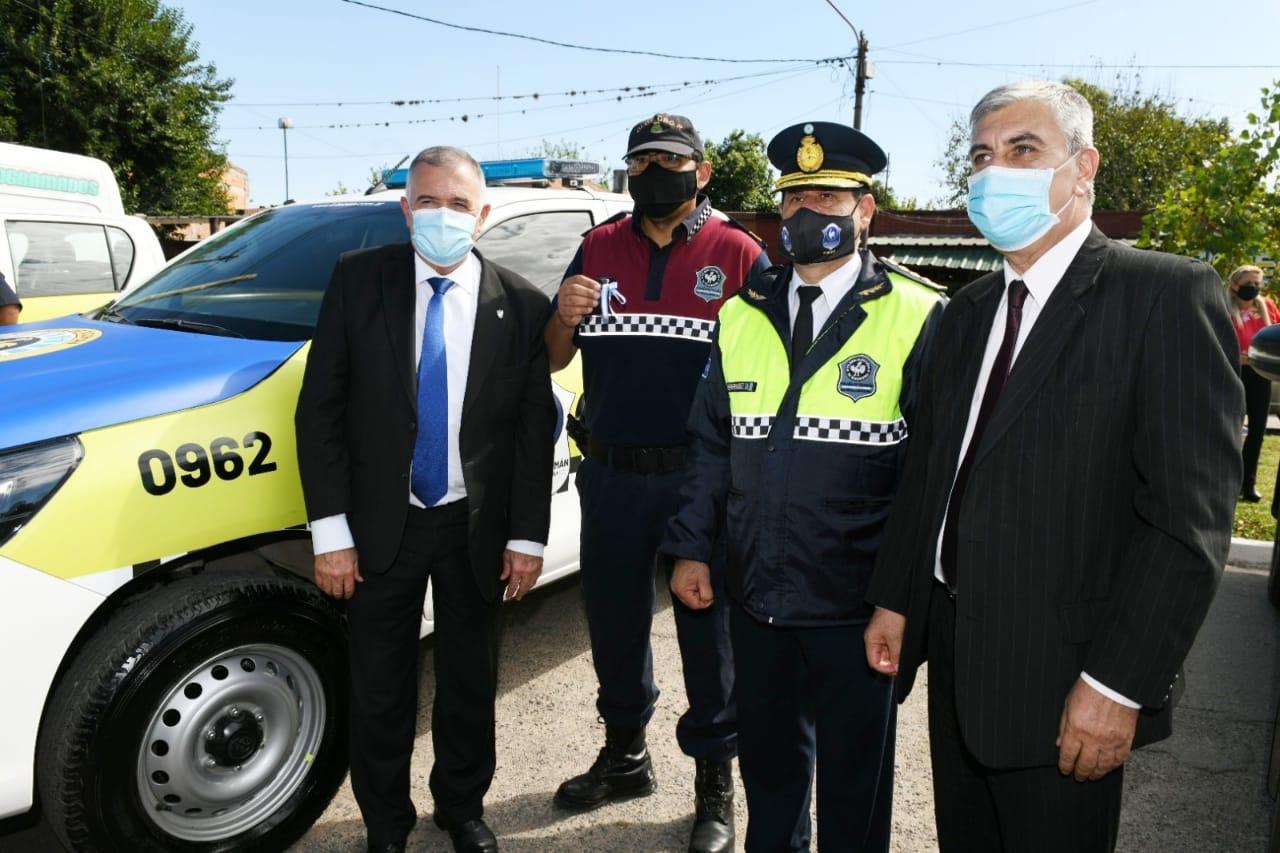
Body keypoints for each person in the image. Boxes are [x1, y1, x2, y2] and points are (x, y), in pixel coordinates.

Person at [864, 81, 1243, 853]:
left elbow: (1188, 523)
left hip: (1070, 681)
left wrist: (1117, 685)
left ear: (1084, 167)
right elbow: (934, 475)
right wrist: (898, 598)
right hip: (962, 667)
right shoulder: (967, 312)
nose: (993, 170)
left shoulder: (1163, 296)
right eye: (980, 155)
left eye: (1022, 149)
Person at [661, 121, 944, 852]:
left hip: (857, 608)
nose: (805, 212)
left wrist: (900, 598)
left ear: (866, 210)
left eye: (826, 195)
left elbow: (931, 481)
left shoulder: (919, 315)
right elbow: (708, 448)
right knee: (772, 781)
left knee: (856, 789)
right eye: (791, 199)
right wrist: (691, 549)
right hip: (757, 601)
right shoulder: (739, 316)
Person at [295, 146, 555, 853]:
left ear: (484, 215)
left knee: (470, 682)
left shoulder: (522, 305)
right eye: (429, 202)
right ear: (407, 209)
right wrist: (330, 533)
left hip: (475, 528)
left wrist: (527, 537)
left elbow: (533, 433)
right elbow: (320, 411)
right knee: (380, 689)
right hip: (383, 528)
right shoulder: (358, 282)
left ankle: (462, 807)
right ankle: (386, 823)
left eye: (459, 205)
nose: (443, 216)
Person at [545, 113, 768, 853]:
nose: (652, 173)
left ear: (702, 172)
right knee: (612, 624)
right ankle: (626, 755)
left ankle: (714, 782)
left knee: (709, 637)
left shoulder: (739, 253)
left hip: (700, 480)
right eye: (640, 162)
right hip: (609, 473)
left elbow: (771, 374)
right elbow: (552, 357)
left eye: (670, 160)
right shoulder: (599, 244)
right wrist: (563, 320)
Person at [1226, 264, 1278, 502]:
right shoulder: (1224, 307)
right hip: (1233, 373)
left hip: (1260, 374)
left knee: (1257, 430)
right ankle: (1228, 480)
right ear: (1235, 285)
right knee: (1232, 429)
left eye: (1257, 284)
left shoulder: (1267, 307)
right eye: (1249, 283)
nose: (1254, 288)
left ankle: (1249, 484)